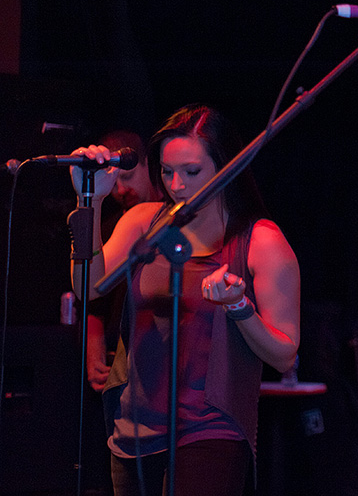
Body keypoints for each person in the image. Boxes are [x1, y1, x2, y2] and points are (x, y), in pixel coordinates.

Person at [69, 104, 300, 496]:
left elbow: (285, 355)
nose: (177, 184)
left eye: (192, 172)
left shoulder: (260, 241)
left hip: (211, 430)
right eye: (166, 171)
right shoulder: (145, 221)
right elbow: (88, 286)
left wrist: (239, 307)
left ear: (226, 168)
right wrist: (89, 199)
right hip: (135, 430)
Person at [86, 129, 162, 392]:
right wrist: (93, 353)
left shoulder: (174, 219)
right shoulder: (109, 227)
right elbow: (93, 299)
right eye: (114, 182)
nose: (120, 190)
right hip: (118, 362)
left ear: (148, 166)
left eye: (127, 177)